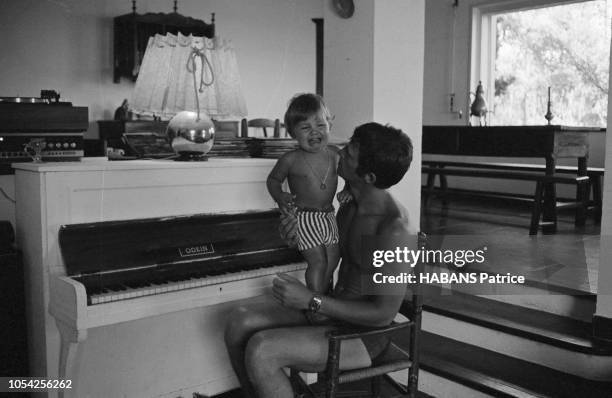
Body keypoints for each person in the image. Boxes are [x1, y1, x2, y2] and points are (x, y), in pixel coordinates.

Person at [224, 122, 416, 398]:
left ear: (369, 176)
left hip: (365, 336)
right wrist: (294, 236)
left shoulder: (394, 229)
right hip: (330, 312)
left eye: (349, 155)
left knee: (262, 350)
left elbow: (383, 314)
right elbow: (325, 253)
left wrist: (312, 300)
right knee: (238, 323)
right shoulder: (349, 205)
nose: (339, 153)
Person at [267, 93, 349, 295]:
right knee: (318, 261)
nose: (314, 132)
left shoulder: (335, 154)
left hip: (328, 216)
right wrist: (280, 196)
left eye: (320, 125)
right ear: (292, 133)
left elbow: (351, 174)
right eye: (305, 128)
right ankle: (315, 301)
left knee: (334, 257)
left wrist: (348, 189)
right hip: (305, 218)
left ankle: (318, 296)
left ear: (330, 125)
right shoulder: (290, 159)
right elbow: (273, 180)